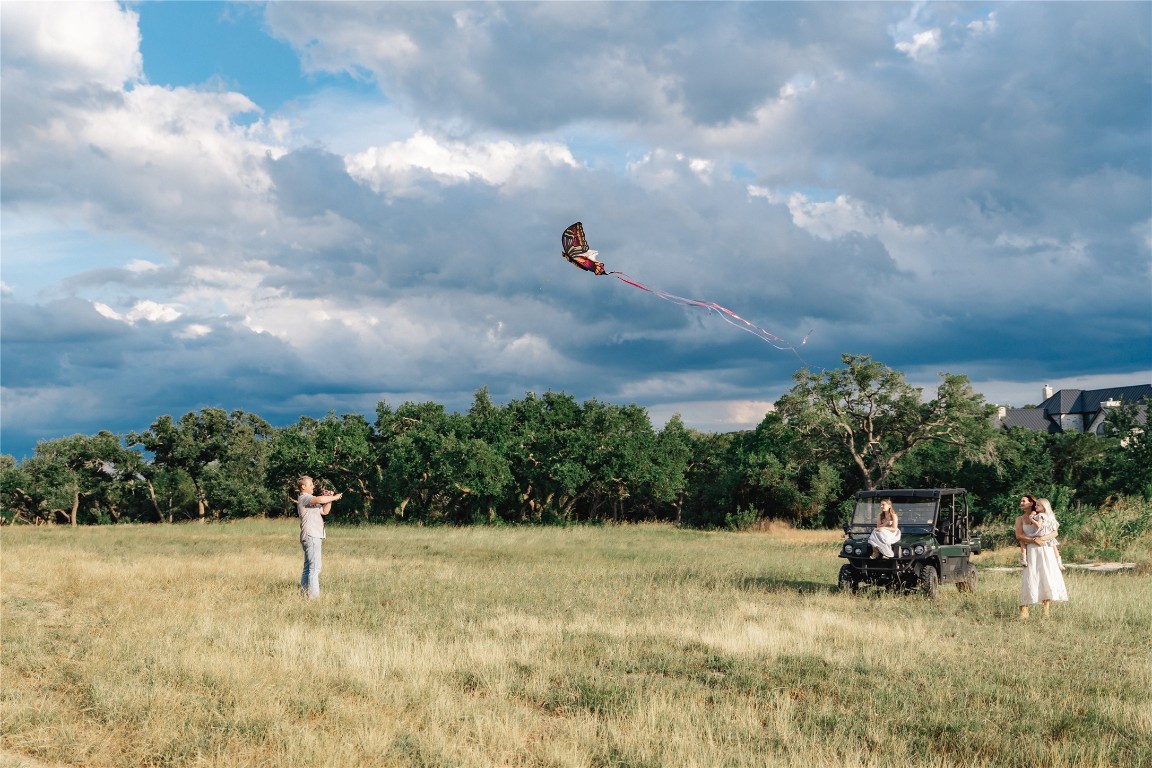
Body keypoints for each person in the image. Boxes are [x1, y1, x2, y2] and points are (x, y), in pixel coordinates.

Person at [1015, 495, 1068, 618]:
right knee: (1030, 578)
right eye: (1021, 501)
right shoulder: (1020, 519)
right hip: (1031, 550)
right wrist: (1034, 540)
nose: (1021, 503)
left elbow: (1055, 531)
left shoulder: (1043, 516)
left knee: (1047, 577)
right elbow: (1019, 536)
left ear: (1031, 503)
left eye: (1024, 501)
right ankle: (1024, 610)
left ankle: (1046, 612)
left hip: (1046, 549)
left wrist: (1042, 539)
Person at [296, 476, 343, 599]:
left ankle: (305, 594)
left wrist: (329, 500)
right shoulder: (305, 498)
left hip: (311, 535)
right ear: (303, 487)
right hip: (312, 535)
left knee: (308, 567)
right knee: (315, 568)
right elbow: (319, 499)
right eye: (311, 484)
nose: (313, 486)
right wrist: (335, 497)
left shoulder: (310, 500)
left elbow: (324, 511)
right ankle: (313, 598)